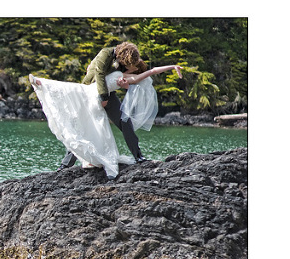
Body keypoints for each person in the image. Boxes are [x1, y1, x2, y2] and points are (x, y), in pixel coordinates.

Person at [29, 43, 182, 179]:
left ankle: (138, 156)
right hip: (91, 92)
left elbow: (142, 77)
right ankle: (66, 164)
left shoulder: (128, 69)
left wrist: (172, 67)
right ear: (124, 59)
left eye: (133, 67)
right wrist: (103, 97)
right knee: (81, 124)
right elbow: (99, 74)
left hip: (107, 95)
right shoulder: (106, 53)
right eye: (129, 65)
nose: (130, 67)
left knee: (124, 121)